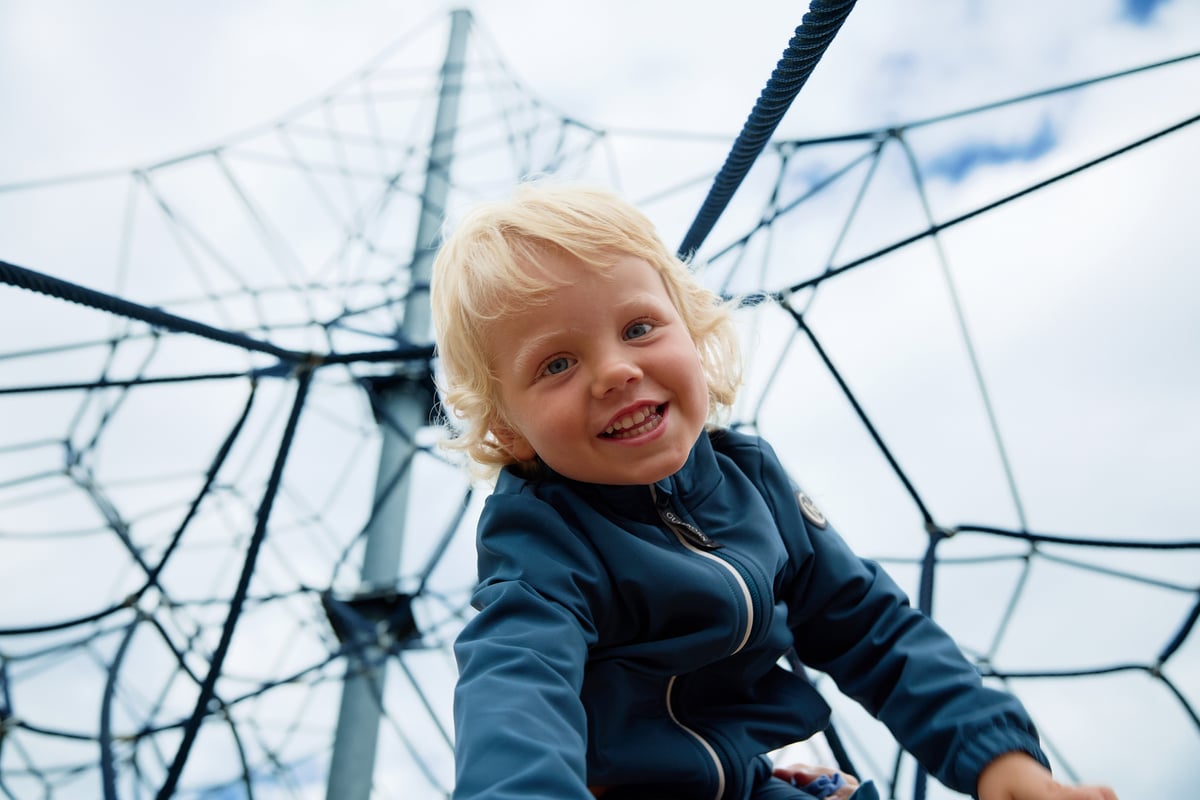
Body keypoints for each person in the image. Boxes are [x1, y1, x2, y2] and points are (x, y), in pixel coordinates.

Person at [430, 181, 1118, 800]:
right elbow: (516, 679)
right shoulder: (543, 538)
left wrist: (1001, 763)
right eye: (556, 363)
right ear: (509, 431)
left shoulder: (750, 483)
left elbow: (871, 629)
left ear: (694, 332)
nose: (615, 371)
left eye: (639, 328)